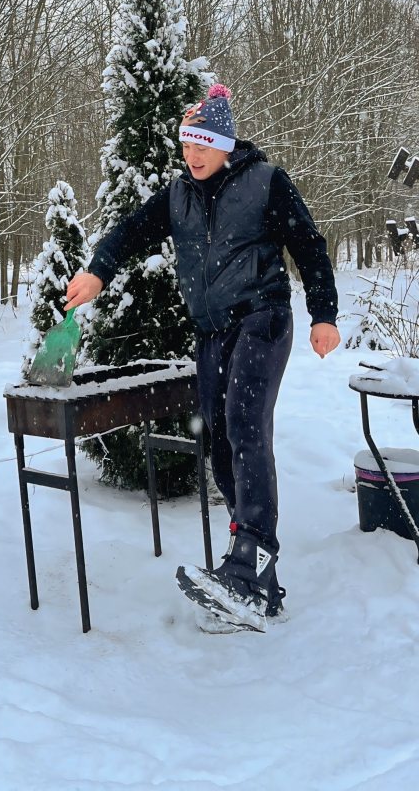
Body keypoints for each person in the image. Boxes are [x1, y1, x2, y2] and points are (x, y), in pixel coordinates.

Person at [65, 83, 340, 632]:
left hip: (262, 319)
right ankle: (256, 569)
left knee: (245, 425)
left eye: (202, 146)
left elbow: (308, 245)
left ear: (225, 145)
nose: (192, 156)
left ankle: (252, 562)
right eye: (186, 145)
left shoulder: (265, 182)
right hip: (212, 331)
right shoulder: (177, 195)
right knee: (218, 439)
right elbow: (130, 232)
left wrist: (324, 313)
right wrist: (98, 269)